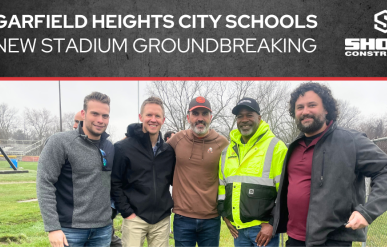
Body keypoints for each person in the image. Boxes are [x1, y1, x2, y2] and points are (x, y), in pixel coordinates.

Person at [272, 82, 387, 246]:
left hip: (333, 240)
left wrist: (367, 212)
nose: (305, 111)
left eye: (312, 105)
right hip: (295, 239)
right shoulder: (293, 147)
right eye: (300, 107)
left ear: (326, 109)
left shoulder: (350, 141)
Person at [37, 92, 114, 247]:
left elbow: (113, 183)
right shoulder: (60, 142)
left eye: (105, 116)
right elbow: (44, 183)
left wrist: (112, 210)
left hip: (103, 229)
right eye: (95, 114)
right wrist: (53, 228)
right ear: (83, 114)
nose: (100, 120)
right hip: (69, 231)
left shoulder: (109, 147)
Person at [218, 98, 287, 247]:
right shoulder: (227, 151)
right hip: (238, 230)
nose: (244, 120)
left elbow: (285, 191)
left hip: (263, 230)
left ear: (259, 118)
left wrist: (272, 223)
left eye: (249, 115)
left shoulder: (276, 147)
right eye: (240, 116)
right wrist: (225, 215)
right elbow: (222, 186)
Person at [111, 96, 175, 247]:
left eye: (157, 116)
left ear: (163, 119)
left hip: (161, 219)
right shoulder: (123, 148)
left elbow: (173, 180)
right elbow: (115, 182)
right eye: (149, 115)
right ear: (140, 117)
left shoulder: (169, 151)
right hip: (135, 218)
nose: (153, 119)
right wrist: (127, 212)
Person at [167, 96, 229, 247]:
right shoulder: (177, 140)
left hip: (211, 220)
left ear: (211, 117)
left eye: (204, 114)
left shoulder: (222, 143)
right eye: (196, 114)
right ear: (188, 117)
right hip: (182, 219)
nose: (200, 118)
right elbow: (155, 156)